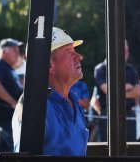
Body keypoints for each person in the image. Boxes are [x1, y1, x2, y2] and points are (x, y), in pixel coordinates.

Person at [12, 27, 89, 155]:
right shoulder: (35, 106)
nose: (79, 56)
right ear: (49, 65)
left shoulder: (74, 102)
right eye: (69, 52)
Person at [94, 39, 140, 142]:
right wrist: (126, 87)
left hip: (128, 114)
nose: (126, 53)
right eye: (123, 50)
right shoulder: (100, 69)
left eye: (127, 50)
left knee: (131, 148)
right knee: (107, 149)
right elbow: (107, 90)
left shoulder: (131, 69)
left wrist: (116, 91)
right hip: (108, 114)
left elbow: (138, 92)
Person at [0, 38, 22, 152]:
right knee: (12, 146)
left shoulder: (7, 67)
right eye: (14, 49)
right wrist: (13, 103)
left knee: (3, 150)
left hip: (8, 116)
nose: (17, 53)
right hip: (2, 114)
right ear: (4, 51)